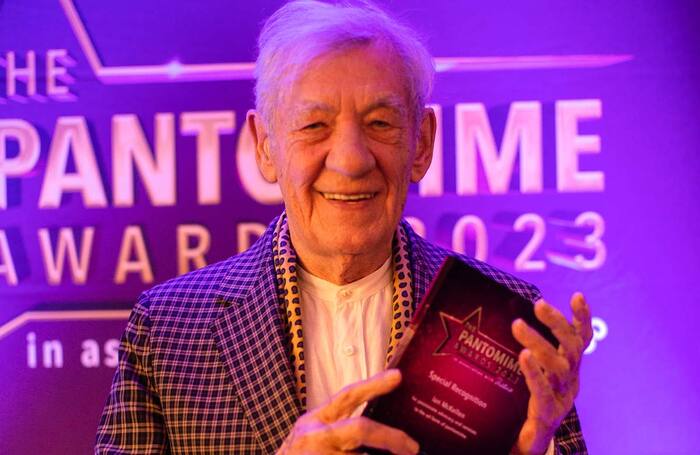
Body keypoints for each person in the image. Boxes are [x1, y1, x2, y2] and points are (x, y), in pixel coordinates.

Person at [96, 1, 592, 454]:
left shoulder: (508, 324)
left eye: (380, 124)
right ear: (265, 147)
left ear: (421, 144)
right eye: (315, 126)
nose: (352, 160)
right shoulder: (168, 328)